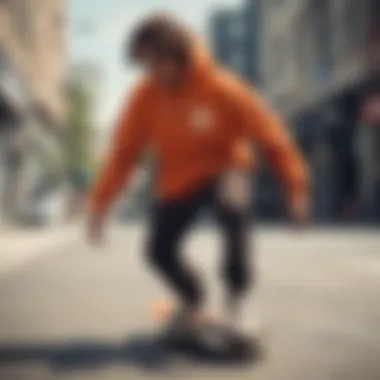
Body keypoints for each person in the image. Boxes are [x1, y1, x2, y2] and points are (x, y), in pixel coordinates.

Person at [87, 14, 309, 336]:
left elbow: (272, 138)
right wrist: (99, 205)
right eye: (144, 65)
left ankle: (236, 304)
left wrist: (296, 189)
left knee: (233, 206)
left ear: (176, 53)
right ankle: (194, 300)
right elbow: (123, 154)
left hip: (227, 168)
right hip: (179, 179)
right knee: (157, 251)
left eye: (155, 63)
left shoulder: (223, 88)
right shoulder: (145, 96)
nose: (151, 73)